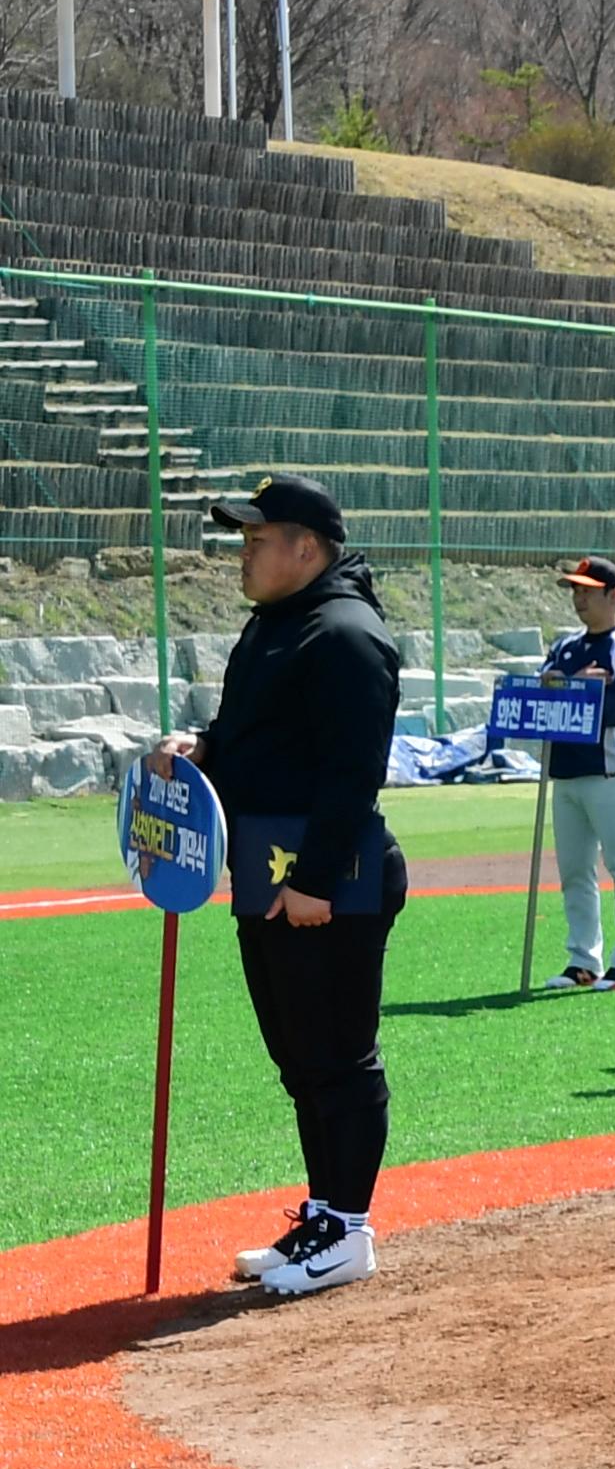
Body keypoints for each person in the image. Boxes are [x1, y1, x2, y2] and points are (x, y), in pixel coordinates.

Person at [156, 476, 406, 1299]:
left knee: (336, 1054)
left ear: (307, 547)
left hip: (325, 879)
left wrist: (313, 882)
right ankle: (326, 1217)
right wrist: (203, 748)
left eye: (257, 538)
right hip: (265, 868)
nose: (244, 552)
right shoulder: (278, 628)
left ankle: (351, 1229)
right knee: (300, 1060)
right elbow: (258, 742)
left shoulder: (343, 634)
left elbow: (351, 775)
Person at [537, 556, 615, 993]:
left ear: (614, 594)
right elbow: (543, 696)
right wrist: (564, 681)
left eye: (587, 590)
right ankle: (582, 960)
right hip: (567, 774)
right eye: (575, 590)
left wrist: (592, 686)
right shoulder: (567, 646)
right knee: (574, 871)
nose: (579, 598)